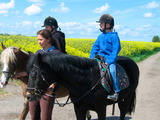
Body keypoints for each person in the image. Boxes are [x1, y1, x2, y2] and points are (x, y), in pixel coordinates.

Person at [89, 14, 121, 101]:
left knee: (112, 71)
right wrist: (91, 59)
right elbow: (94, 48)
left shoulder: (114, 36)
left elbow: (116, 50)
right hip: (99, 58)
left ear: (108, 24)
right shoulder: (100, 36)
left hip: (109, 59)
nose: (100, 25)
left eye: (102, 23)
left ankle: (116, 92)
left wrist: (109, 61)